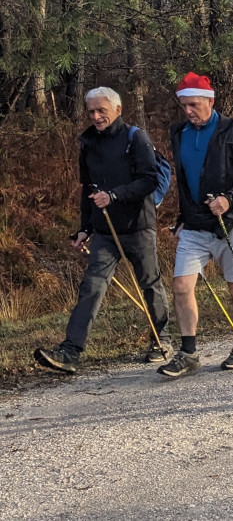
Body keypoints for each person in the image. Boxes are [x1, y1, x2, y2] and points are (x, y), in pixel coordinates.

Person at [34, 87, 172, 373]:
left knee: (150, 283)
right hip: (104, 231)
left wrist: (115, 195)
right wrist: (84, 228)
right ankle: (70, 352)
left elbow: (148, 180)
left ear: (117, 110)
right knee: (91, 287)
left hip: (138, 226)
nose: (96, 116)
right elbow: (88, 189)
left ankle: (162, 340)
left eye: (101, 110)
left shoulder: (136, 138)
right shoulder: (88, 143)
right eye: (91, 111)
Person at [157, 72, 233, 378]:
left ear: (209, 101)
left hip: (232, 222)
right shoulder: (178, 132)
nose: (188, 111)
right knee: (181, 286)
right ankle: (188, 353)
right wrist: (182, 218)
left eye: (193, 105)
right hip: (194, 225)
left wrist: (229, 199)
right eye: (183, 105)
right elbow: (185, 180)